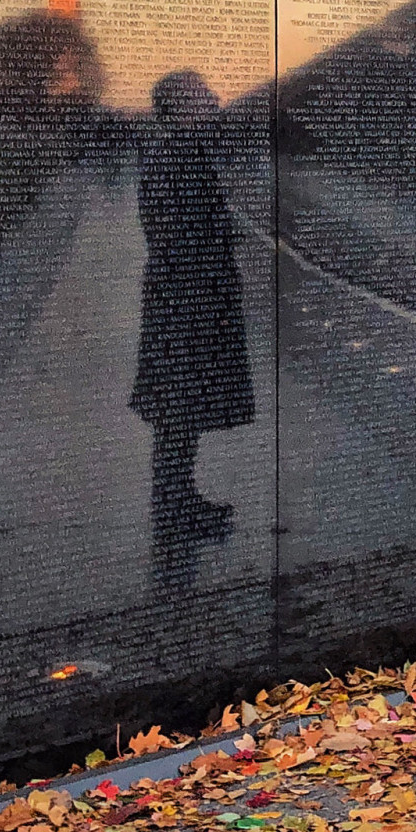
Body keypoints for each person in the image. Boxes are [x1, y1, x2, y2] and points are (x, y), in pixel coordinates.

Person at [130, 71, 253, 562]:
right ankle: (175, 512)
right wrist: (221, 243)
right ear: (182, 106)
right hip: (187, 308)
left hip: (187, 303)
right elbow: (175, 236)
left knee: (180, 413)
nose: (216, 99)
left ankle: (180, 503)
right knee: (178, 412)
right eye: (205, 95)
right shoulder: (174, 156)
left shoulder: (178, 151)